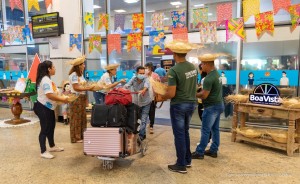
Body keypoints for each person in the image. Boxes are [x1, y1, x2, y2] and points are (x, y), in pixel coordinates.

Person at [162, 41, 197, 174]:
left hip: (179, 105)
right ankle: (187, 160)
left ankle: (181, 164)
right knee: (185, 132)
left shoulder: (174, 70)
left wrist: (161, 97)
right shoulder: (193, 67)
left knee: (179, 134)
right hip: (191, 103)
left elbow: (171, 93)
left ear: (175, 54)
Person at [34, 60, 69, 159]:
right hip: (42, 107)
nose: (55, 69)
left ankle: (52, 146)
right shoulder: (45, 79)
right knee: (45, 128)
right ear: (49, 69)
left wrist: (63, 96)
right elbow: (49, 95)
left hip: (48, 107)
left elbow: (54, 93)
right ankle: (43, 151)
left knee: (51, 126)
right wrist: (62, 99)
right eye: (53, 67)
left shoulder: (48, 79)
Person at [192, 54, 224, 160]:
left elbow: (204, 95)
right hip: (219, 104)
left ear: (206, 64)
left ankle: (200, 152)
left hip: (211, 107)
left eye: (202, 64)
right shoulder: (217, 74)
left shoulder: (209, 78)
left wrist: (193, 94)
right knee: (215, 129)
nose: (201, 66)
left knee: (205, 130)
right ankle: (213, 150)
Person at [68, 56, 96, 143]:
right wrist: (88, 88)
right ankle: (76, 137)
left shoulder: (80, 75)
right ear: (78, 66)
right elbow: (76, 88)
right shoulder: (73, 75)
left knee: (82, 117)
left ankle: (81, 135)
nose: (84, 65)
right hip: (76, 98)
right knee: (76, 118)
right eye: (83, 64)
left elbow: (82, 86)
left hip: (81, 97)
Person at [124, 66, 152, 141]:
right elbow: (127, 85)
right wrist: (122, 89)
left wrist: (143, 90)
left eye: (143, 73)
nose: (142, 75)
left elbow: (146, 86)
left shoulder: (146, 79)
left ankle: (141, 136)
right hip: (136, 103)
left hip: (146, 102)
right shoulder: (133, 79)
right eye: (140, 73)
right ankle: (142, 132)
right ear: (136, 73)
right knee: (137, 119)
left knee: (143, 119)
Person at [145, 62, 160, 134]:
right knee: (145, 111)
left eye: (146, 68)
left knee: (152, 111)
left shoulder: (155, 75)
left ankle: (151, 125)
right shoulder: (144, 75)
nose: (146, 70)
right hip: (145, 97)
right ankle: (144, 124)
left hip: (153, 96)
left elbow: (159, 84)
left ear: (150, 68)